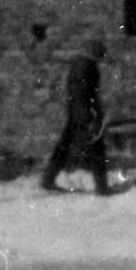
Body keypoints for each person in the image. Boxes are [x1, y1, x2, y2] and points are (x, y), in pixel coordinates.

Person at [40, 34, 110, 194]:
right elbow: (83, 94)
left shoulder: (80, 65)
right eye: (100, 56)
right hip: (84, 115)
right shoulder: (87, 67)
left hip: (76, 113)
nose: (101, 60)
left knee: (64, 146)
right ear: (96, 54)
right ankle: (102, 188)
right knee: (97, 149)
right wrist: (90, 117)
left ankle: (48, 179)